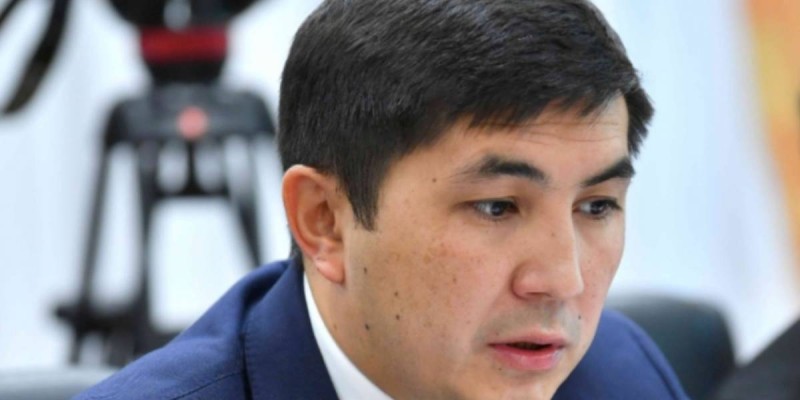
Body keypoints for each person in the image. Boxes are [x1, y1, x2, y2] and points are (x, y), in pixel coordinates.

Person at [76, 0, 688, 398]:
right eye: (497, 207)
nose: (563, 281)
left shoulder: (622, 376)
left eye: (596, 206)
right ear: (324, 221)